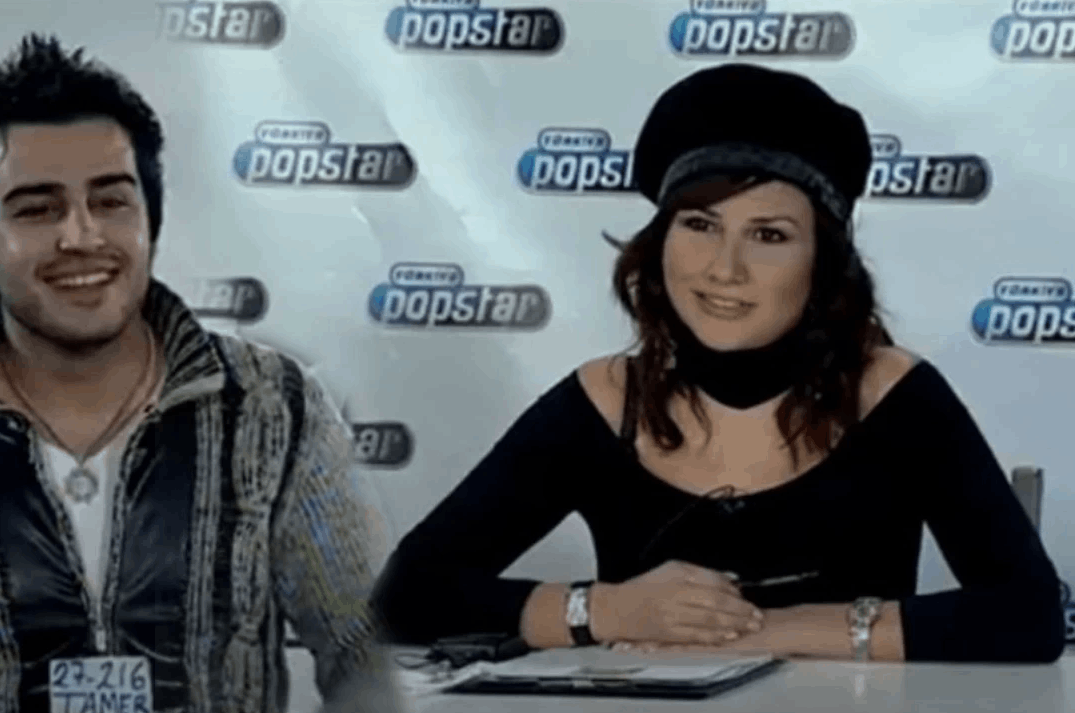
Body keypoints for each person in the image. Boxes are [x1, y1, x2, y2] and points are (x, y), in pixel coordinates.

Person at [371, 63, 1066, 664]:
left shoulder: (890, 392)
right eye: (700, 225)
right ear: (660, 245)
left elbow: (1028, 613)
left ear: (823, 264)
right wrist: (604, 611)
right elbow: (404, 596)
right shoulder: (606, 397)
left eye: (769, 235)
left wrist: (767, 631)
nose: (724, 269)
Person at [0, 34, 398, 713]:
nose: (81, 237)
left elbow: (375, 662)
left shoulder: (275, 410)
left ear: (150, 219)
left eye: (111, 201)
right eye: (36, 208)